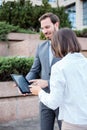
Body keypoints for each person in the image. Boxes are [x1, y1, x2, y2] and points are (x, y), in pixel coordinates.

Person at [30, 28, 87, 130]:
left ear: (58, 45)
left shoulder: (59, 67)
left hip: (72, 123)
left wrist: (39, 92)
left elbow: (53, 102)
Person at [26, 12, 61, 130]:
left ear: (56, 25)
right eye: (42, 28)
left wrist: (48, 82)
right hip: (45, 98)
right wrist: (24, 83)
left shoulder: (68, 45)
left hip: (63, 99)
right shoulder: (40, 47)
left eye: (47, 27)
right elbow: (34, 69)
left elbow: (72, 76)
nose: (44, 31)